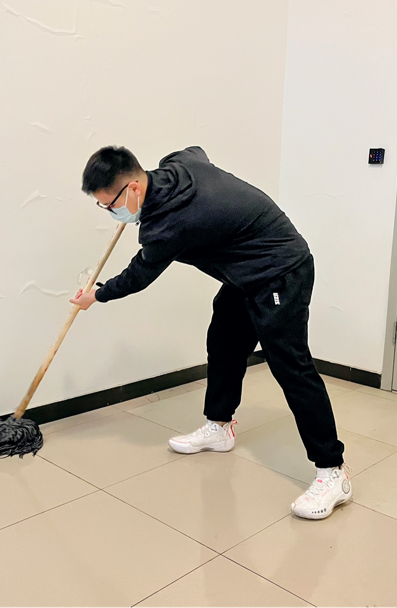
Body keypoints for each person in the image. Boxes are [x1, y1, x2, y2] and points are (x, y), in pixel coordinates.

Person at [71, 145, 351, 520]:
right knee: (223, 343)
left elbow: (138, 276)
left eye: (111, 205)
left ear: (134, 188)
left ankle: (333, 472)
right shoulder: (178, 166)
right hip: (244, 274)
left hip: (281, 270)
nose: (112, 213)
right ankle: (219, 426)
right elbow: (195, 150)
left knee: (291, 367)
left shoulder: (168, 226)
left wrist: (97, 294)